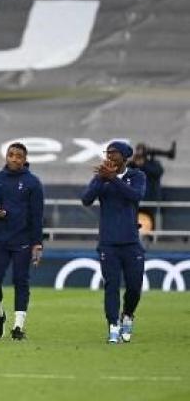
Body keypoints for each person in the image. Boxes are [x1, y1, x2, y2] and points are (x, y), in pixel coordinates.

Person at [81, 140, 146, 344]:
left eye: (114, 153)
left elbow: (136, 195)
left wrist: (114, 179)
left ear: (125, 156)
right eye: (107, 153)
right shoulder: (102, 177)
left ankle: (127, 315)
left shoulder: (137, 176)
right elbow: (86, 199)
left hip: (131, 242)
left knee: (135, 286)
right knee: (111, 285)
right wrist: (101, 179)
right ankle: (113, 326)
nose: (109, 156)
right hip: (108, 243)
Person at [0, 143, 44, 340]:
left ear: (25, 158)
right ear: (6, 157)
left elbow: (37, 216)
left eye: (18, 156)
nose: (14, 159)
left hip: (23, 241)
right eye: (11, 155)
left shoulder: (33, 183)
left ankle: (18, 327)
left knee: (21, 282)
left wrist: (37, 243)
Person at [128, 143, 164, 226]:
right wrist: (134, 164)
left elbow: (158, 172)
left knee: (151, 222)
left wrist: (143, 165)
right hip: (135, 200)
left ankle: (151, 237)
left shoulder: (153, 163)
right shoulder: (132, 165)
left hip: (151, 198)